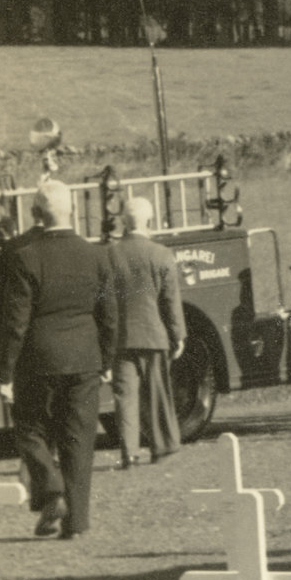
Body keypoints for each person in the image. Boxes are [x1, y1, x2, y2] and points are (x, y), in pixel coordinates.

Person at [0, 179, 117, 539]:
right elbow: (109, 316)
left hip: (38, 360)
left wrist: (5, 374)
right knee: (79, 440)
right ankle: (76, 522)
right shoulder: (96, 255)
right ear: (73, 211)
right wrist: (105, 361)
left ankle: (50, 489)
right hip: (85, 359)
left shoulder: (24, 256)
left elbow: (16, 321)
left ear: (36, 214)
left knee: (30, 430)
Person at [106, 195, 186, 470]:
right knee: (156, 394)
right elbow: (170, 301)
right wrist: (178, 335)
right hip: (154, 335)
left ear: (123, 223)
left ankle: (129, 452)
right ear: (149, 221)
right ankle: (162, 447)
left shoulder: (110, 254)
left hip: (122, 338)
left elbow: (103, 301)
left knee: (125, 397)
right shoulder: (161, 254)